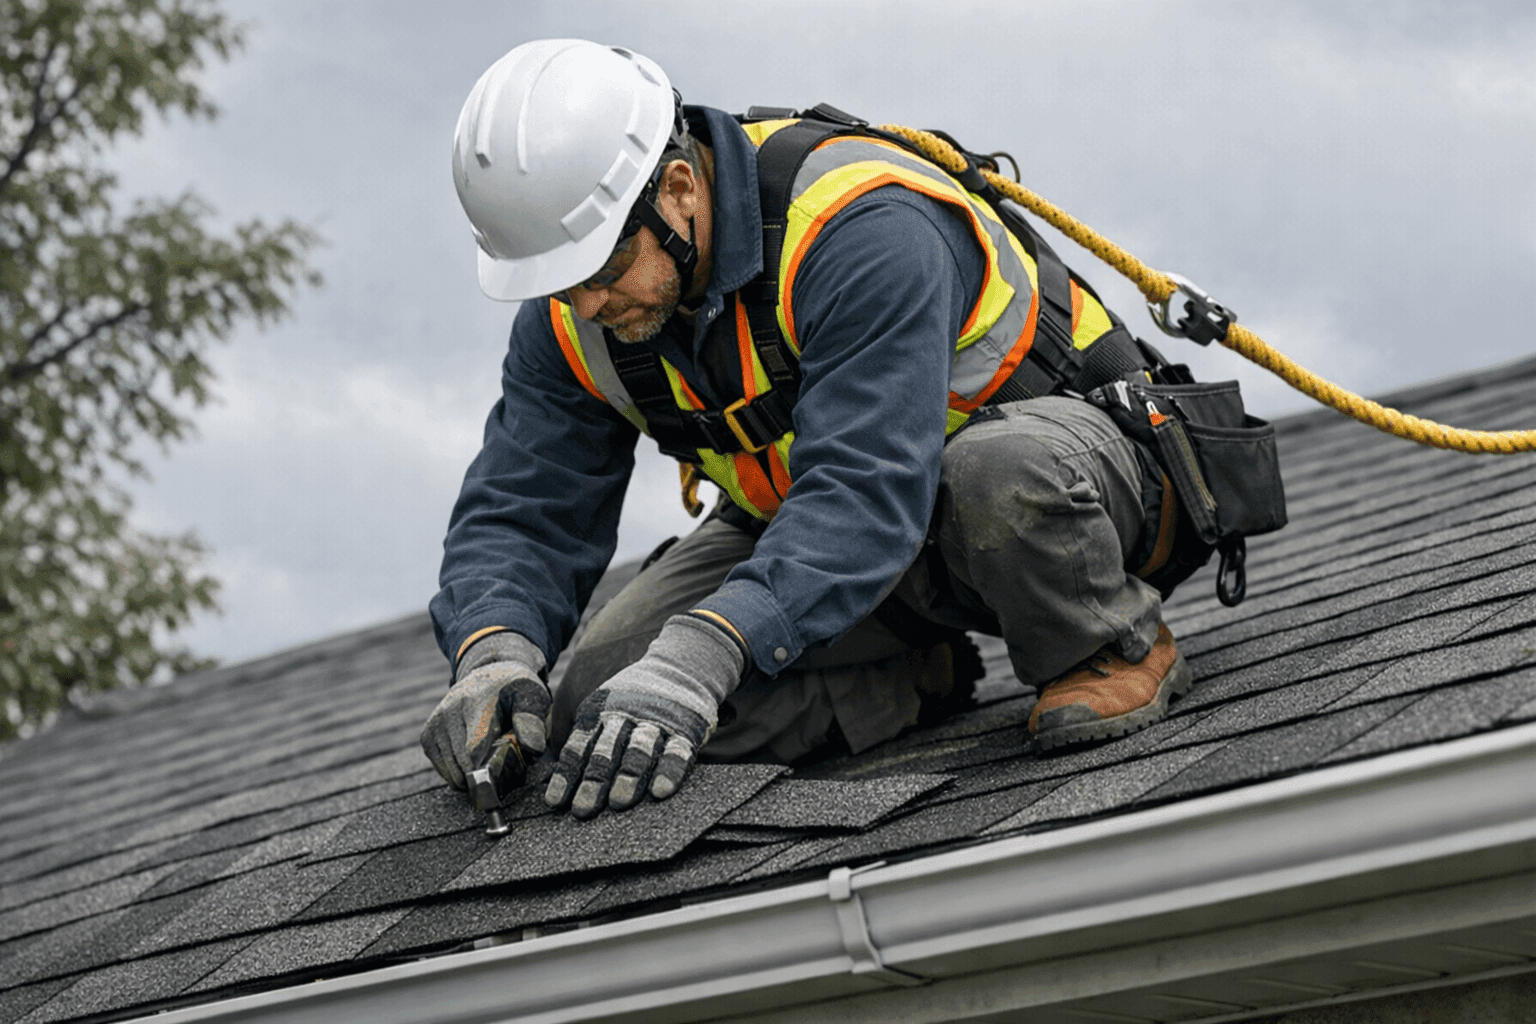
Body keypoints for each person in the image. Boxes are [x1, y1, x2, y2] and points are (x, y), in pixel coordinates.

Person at [420, 39, 1200, 820]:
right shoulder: (572, 315)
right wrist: (493, 651)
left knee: (998, 477)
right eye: (562, 281)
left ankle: (1106, 642)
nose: (586, 305)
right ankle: (904, 677)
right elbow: (526, 503)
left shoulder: (860, 226)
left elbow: (865, 486)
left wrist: (708, 651)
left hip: (1073, 504)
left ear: (680, 188)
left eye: (601, 269)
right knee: (605, 703)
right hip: (857, 557)